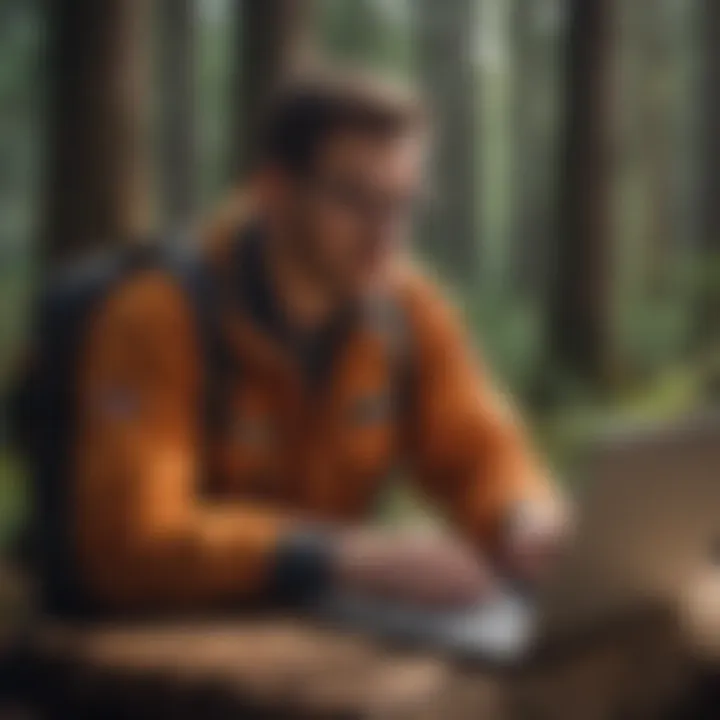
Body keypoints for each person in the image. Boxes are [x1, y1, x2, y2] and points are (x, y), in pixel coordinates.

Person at [74, 70, 567, 613]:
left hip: (316, 624)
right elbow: (133, 540)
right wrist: (342, 556)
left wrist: (522, 519)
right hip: (155, 639)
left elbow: (479, 451)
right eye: (354, 199)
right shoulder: (157, 316)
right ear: (274, 191)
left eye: (402, 202)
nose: (386, 232)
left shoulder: (407, 310)